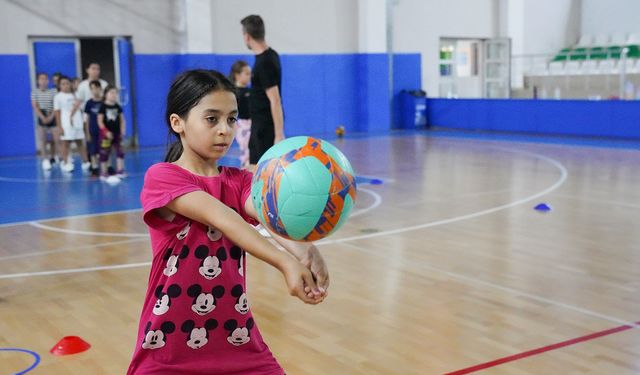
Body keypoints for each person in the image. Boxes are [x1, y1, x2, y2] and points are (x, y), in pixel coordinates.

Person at [126, 70, 328, 374]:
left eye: (232, 119)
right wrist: (284, 262)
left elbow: (268, 214)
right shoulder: (163, 177)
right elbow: (225, 218)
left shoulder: (240, 181)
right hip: (169, 347)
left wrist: (303, 249)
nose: (225, 130)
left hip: (236, 338)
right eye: (212, 119)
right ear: (177, 123)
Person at [241, 15, 284, 171]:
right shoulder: (270, 55)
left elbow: (275, 99)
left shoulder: (264, 63)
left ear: (247, 36)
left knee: (261, 171)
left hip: (265, 128)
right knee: (254, 167)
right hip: (259, 124)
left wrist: (278, 134)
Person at [54, 76, 90, 173]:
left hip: (77, 121)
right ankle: (66, 163)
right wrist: (60, 126)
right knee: (66, 143)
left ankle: (85, 161)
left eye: (67, 83)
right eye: (63, 84)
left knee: (80, 142)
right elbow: (57, 112)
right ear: (59, 86)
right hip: (66, 122)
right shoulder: (58, 97)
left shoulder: (76, 95)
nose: (66, 85)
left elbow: (82, 108)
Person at [31, 72, 59, 170]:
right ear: (38, 81)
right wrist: (42, 117)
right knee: (43, 139)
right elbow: (35, 105)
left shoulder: (53, 91)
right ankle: (45, 159)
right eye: (41, 79)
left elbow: (56, 105)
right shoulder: (35, 92)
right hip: (41, 115)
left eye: (45, 79)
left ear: (48, 81)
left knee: (55, 139)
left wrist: (51, 116)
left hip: (52, 114)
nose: (43, 81)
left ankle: (53, 157)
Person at [97, 85, 126, 181]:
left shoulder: (117, 106)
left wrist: (122, 131)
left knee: (120, 151)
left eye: (115, 93)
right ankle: (104, 172)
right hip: (106, 135)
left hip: (117, 133)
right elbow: (100, 121)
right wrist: (106, 132)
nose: (114, 95)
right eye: (111, 93)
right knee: (104, 153)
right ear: (106, 94)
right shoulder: (102, 107)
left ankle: (120, 170)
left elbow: (122, 120)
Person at [229, 60, 252, 168]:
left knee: (253, 149)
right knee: (247, 149)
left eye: (250, 74)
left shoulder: (250, 91)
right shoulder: (233, 93)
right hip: (241, 124)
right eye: (246, 74)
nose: (249, 76)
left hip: (252, 123)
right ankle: (245, 169)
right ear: (237, 75)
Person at [83, 80, 103, 176]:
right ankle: (94, 167)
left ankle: (104, 167)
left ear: (100, 89)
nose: (94, 91)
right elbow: (86, 119)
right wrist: (87, 132)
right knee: (92, 150)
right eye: (92, 89)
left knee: (103, 149)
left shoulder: (104, 102)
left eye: (96, 88)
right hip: (92, 130)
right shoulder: (88, 103)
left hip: (102, 131)